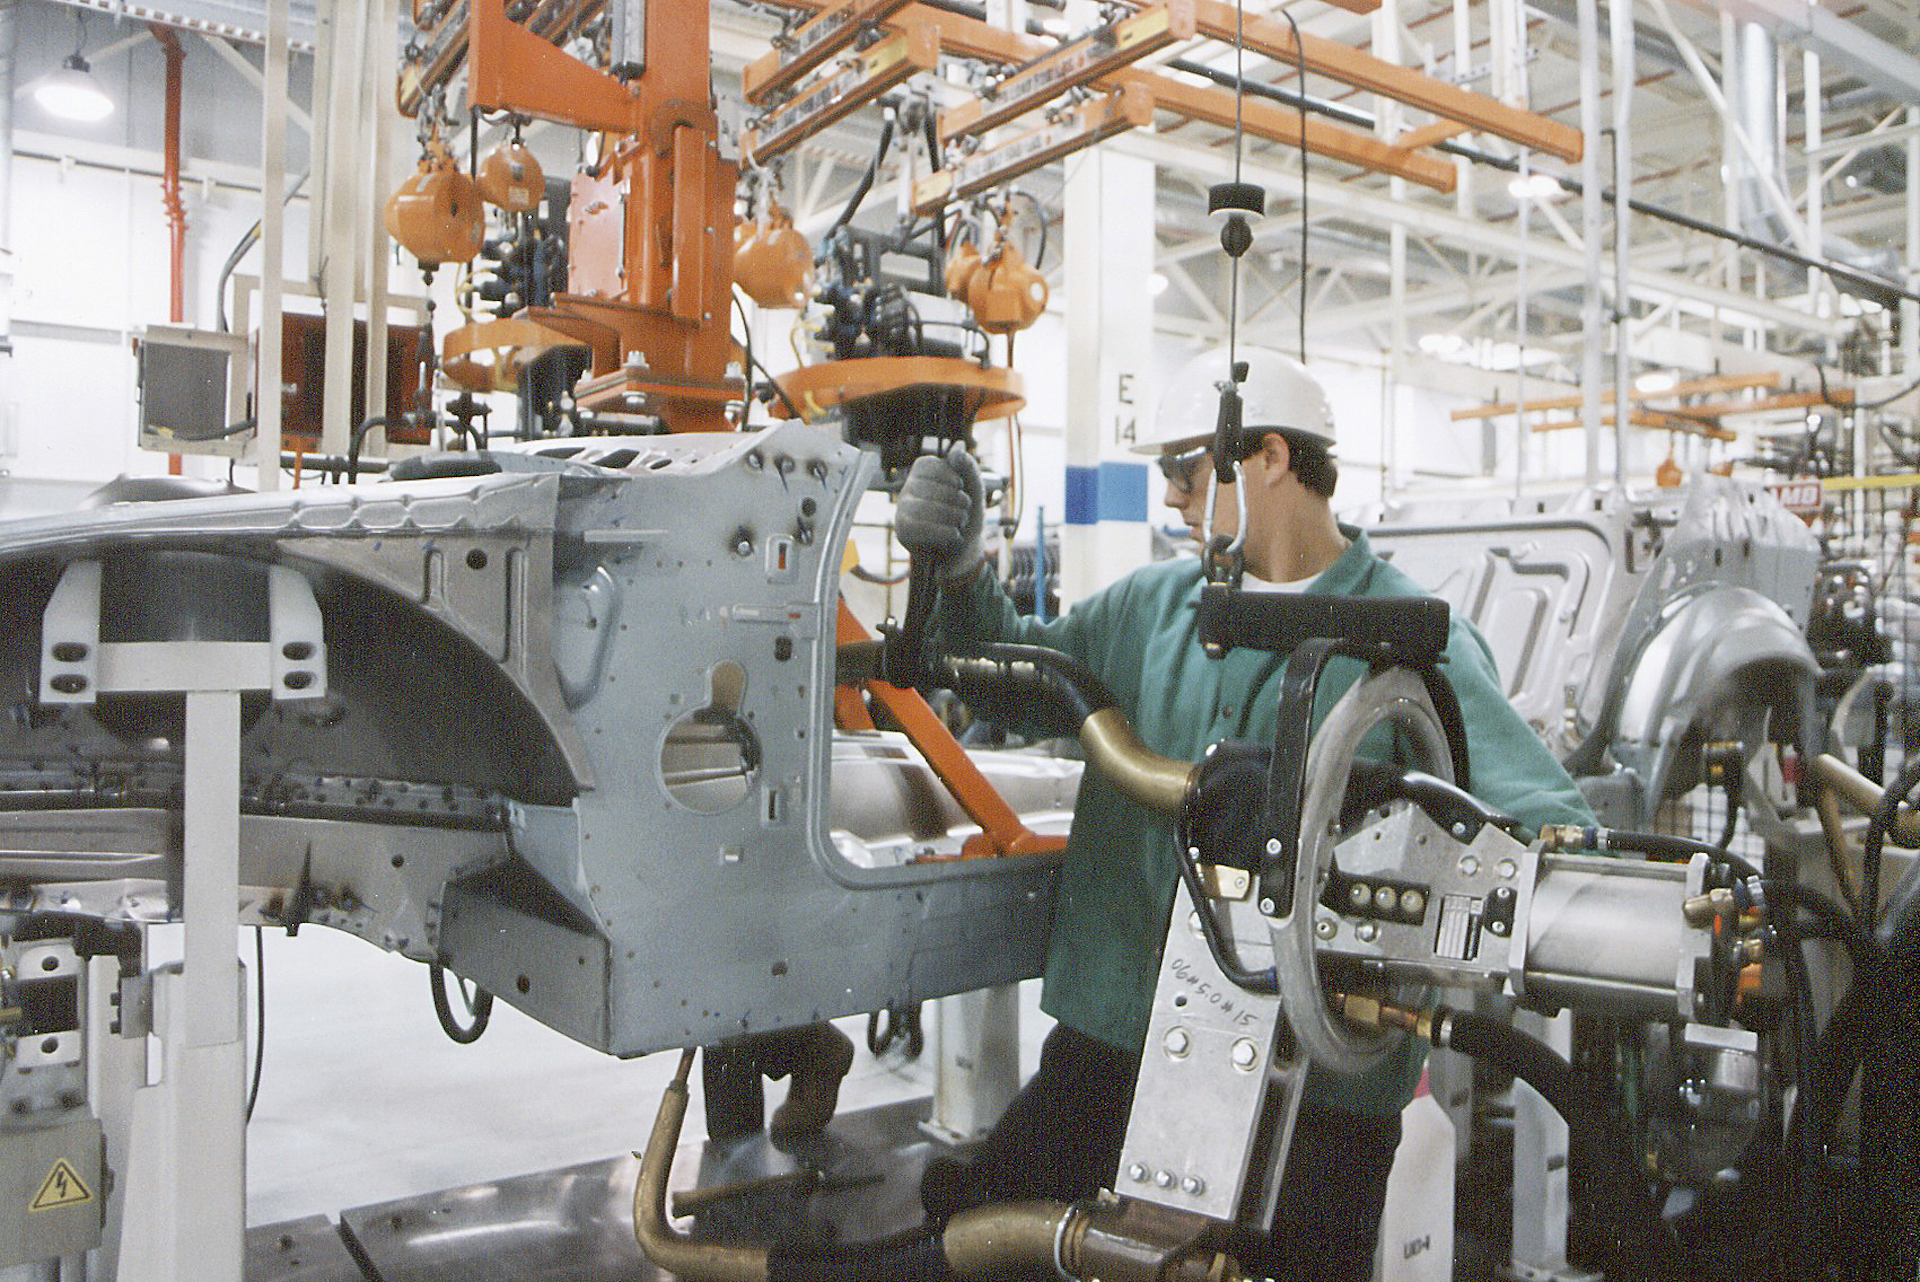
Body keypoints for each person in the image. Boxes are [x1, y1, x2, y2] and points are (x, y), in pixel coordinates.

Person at [893, 347, 1594, 1281]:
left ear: (1268, 457)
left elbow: (1531, 805)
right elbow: (1018, 680)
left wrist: (1578, 889)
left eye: (1184, 472)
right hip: (1122, 1041)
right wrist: (958, 570)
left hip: (1315, 1083)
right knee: (989, 1243)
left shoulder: (1410, 632)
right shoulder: (1150, 607)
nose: (1174, 502)